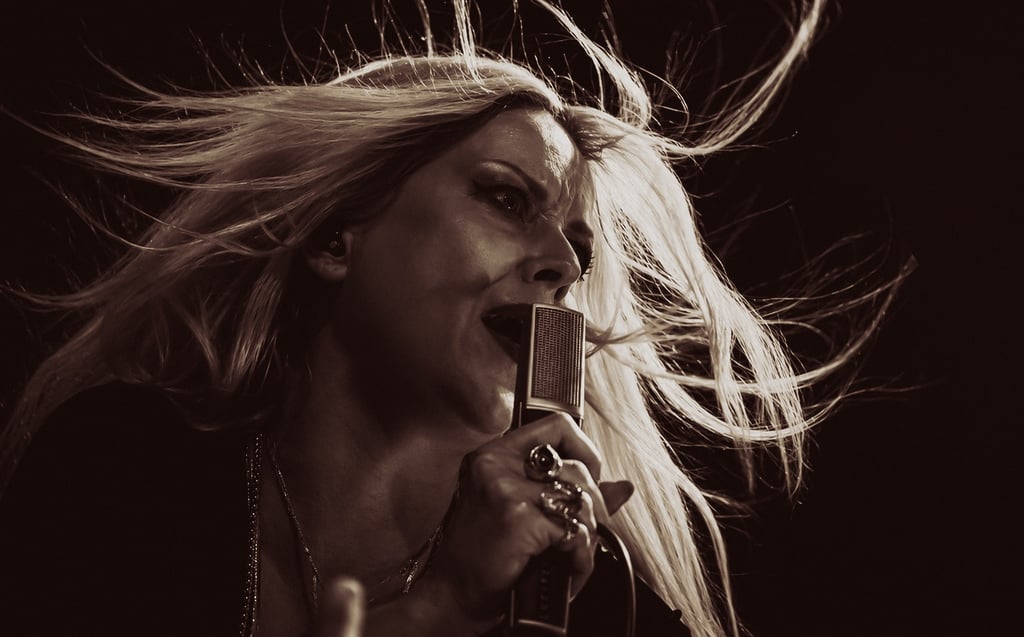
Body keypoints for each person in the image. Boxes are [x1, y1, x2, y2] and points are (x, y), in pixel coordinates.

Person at [0, 0, 898, 635]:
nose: (561, 263)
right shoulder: (119, 470)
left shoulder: (592, 601)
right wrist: (437, 609)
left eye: (578, 249)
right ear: (336, 238)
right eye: (507, 199)